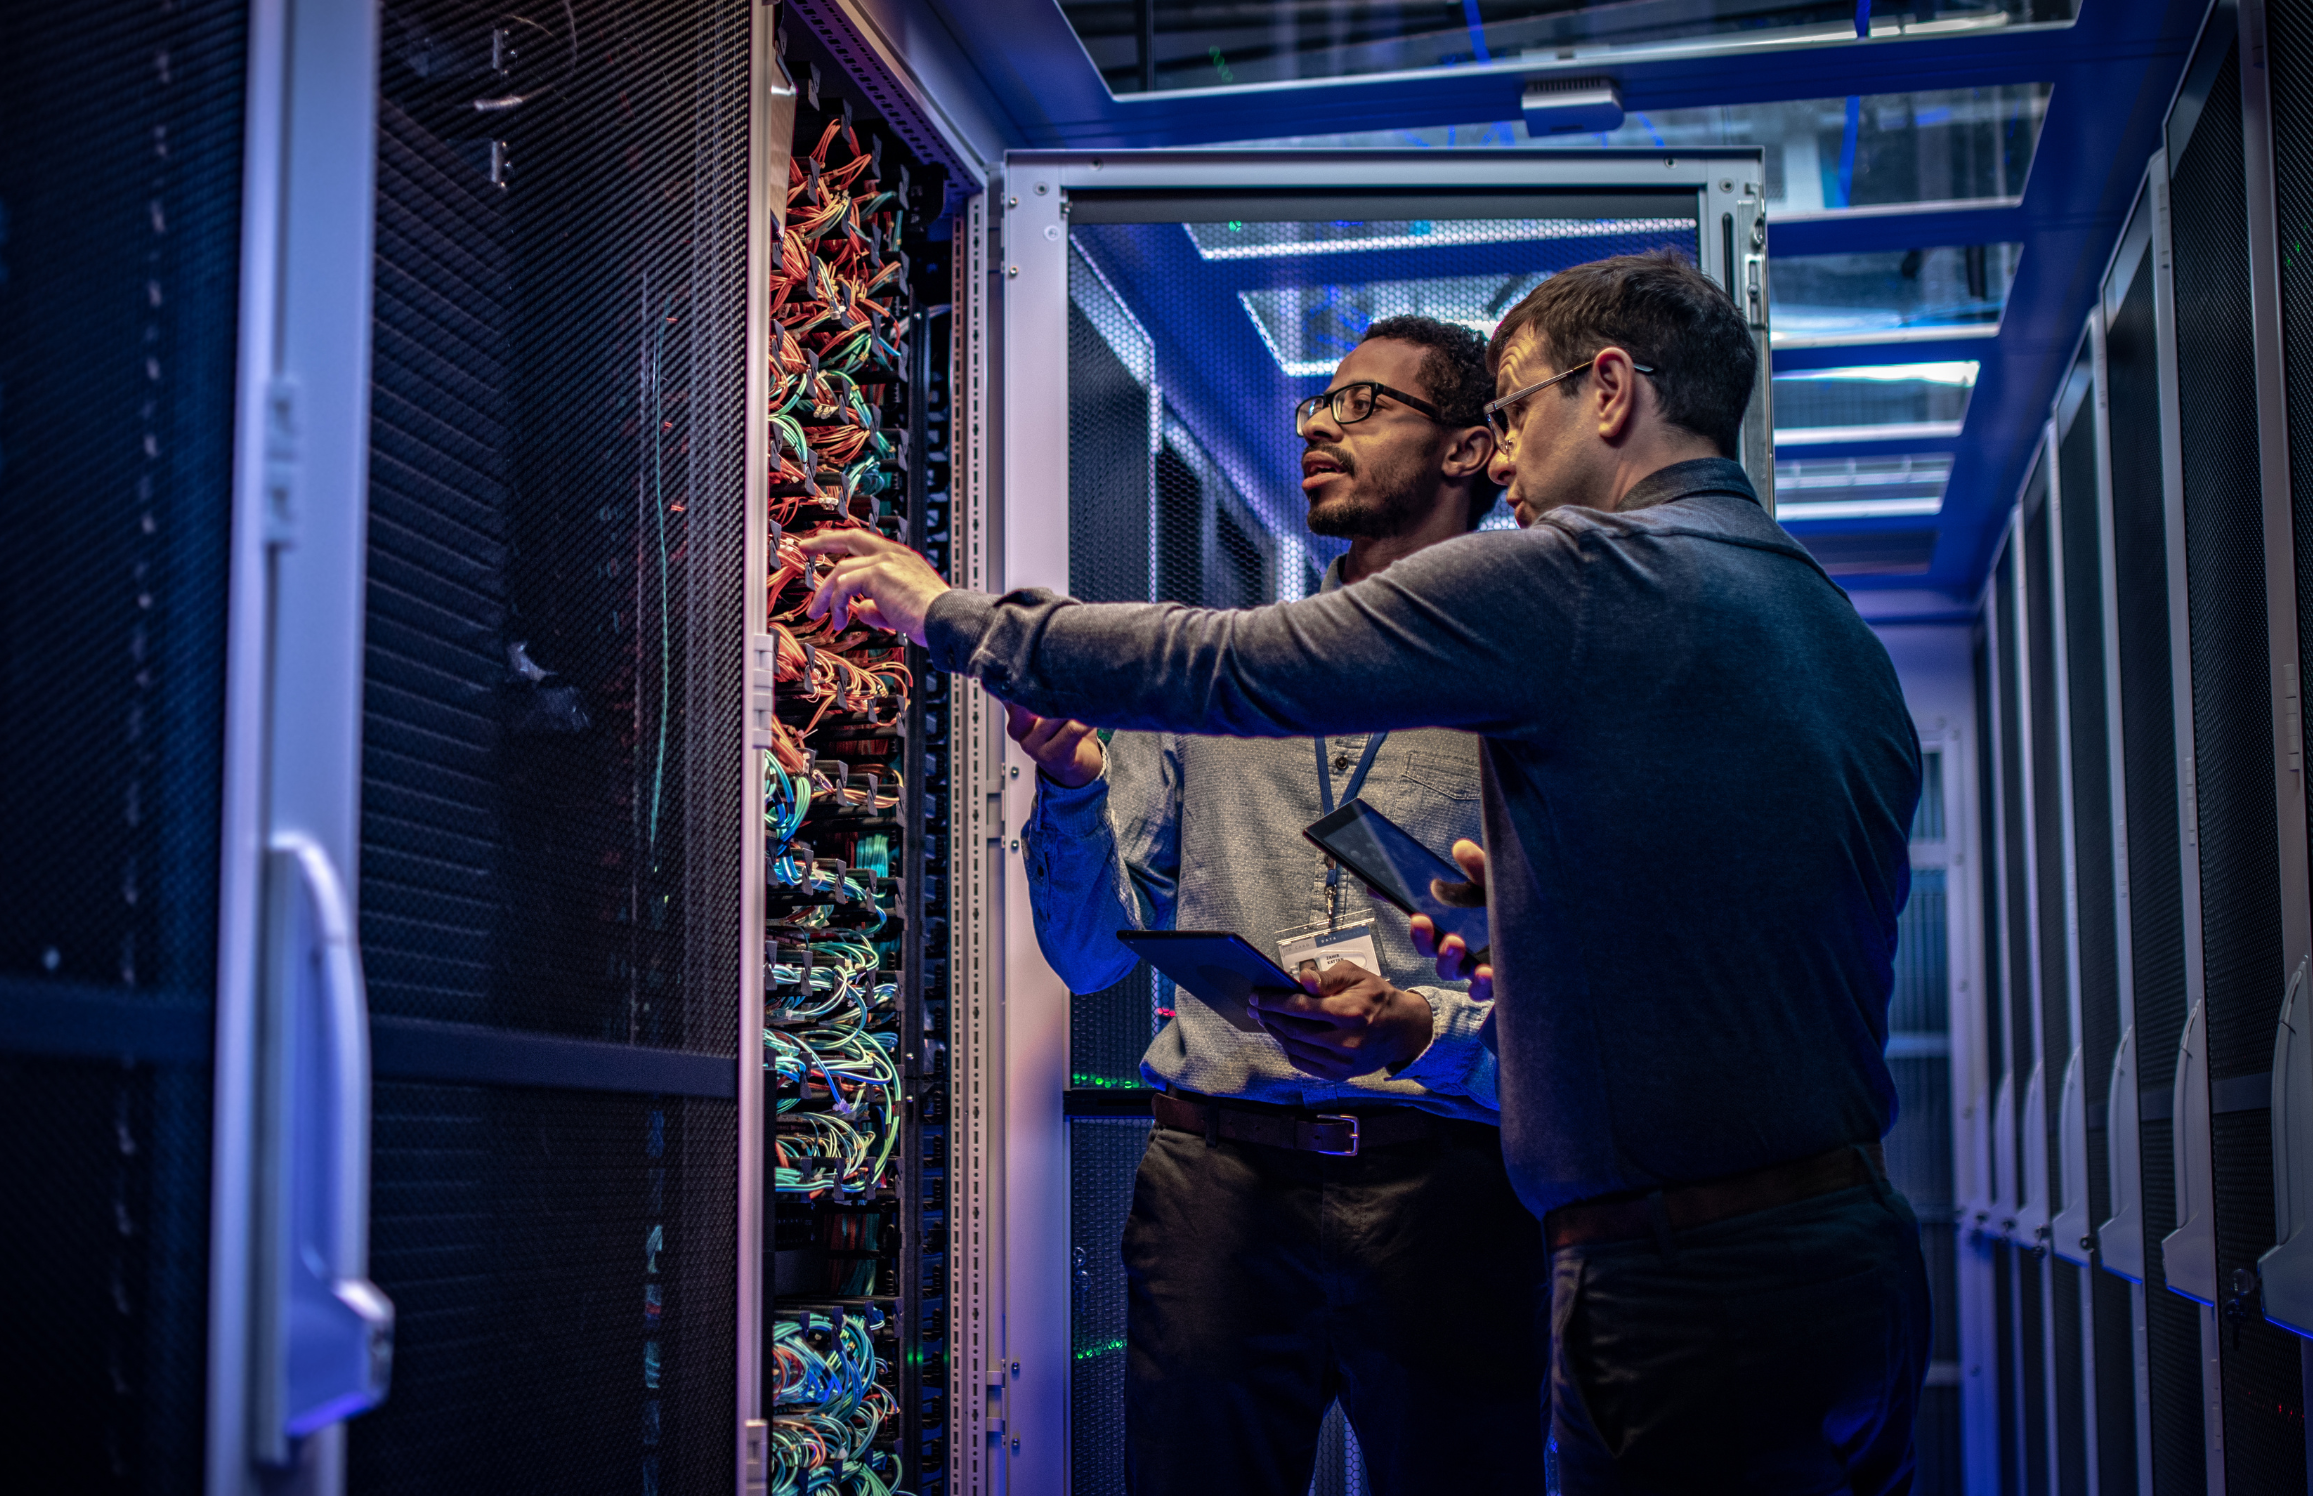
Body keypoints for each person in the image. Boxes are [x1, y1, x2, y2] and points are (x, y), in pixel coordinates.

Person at [802, 250, 1927, 1495]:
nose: (1506, 460)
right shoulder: (1820, 620)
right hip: (1833, 1248)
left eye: (1513, 414)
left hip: (1659, 1262)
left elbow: (1237, 670)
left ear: (1610, 392)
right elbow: (1753, 922)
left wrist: (952, 615)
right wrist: (1529, 933)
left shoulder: (1589, 580)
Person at [1015, 316, 1542, 1496]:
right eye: (1316, 404)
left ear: (1466, 451)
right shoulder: (1220, 669)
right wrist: (1071, 785)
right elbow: (1092, 954)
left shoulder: (1520, 679)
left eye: (1362, 405)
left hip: (1451, 1184)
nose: (1315, 424)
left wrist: (1417, 1021)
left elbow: (1582, 976)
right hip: (1219, 1183)